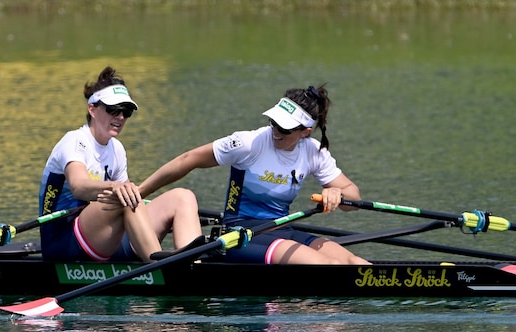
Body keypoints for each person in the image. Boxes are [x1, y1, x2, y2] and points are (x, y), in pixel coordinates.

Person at [135, 84, 370, 265]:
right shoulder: (248, 143)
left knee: (355, 264)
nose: (276, 131)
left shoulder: (313, 152)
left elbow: (354, 200)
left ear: (305, 132)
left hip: (282, 229)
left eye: (285, 128)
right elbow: (188, 160)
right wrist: (139, 192)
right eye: (273, 122)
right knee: (327, 266)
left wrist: (337, 192)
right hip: (242, 235)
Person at [39, 66, 202, 262]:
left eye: (126, 111)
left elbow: (132, 202)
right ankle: (160, 265)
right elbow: (79, 187)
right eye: (113, 110)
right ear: (92, 109)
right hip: (64, 242)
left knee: (183, 197)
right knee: (123, 195)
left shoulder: (117, 149)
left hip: (105, 237)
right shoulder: (74, 141)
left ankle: (193, 265)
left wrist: (124, 190)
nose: (121, 117)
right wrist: (117, 187)